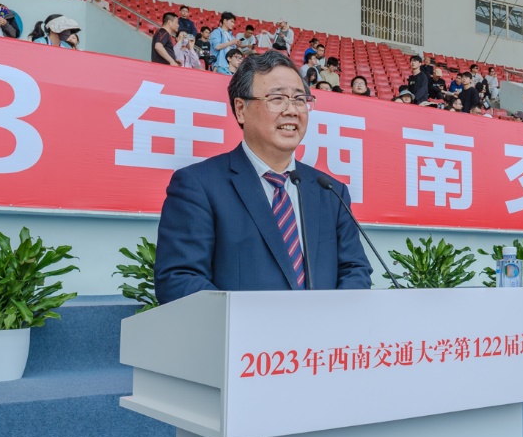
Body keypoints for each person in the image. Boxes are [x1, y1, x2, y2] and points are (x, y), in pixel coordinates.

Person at [153, 50, 372, 304]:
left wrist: (329, 319)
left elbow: (355, 270)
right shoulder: (198, 186)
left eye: (299, 99)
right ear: (241, 109)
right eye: (277, 98)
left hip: (323, 330)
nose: (292, 110)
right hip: (241, 330)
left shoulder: (331, 191)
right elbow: (179, 280)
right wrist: (259, 323)